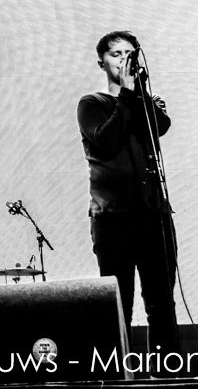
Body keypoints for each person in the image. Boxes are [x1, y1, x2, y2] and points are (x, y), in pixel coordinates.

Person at [76, 31, 178, 360]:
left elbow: (160, 126)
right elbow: (107, 140)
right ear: (102, 63)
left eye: (129, 53)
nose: (123, 59)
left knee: (162, 303)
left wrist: (139, 91)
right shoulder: (91, 104)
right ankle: (120, 375)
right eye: (116, 54)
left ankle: (168, 375)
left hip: (154, 215)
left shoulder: (149, 103)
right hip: (113, 219)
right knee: (120, 304)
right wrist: (126, 93)